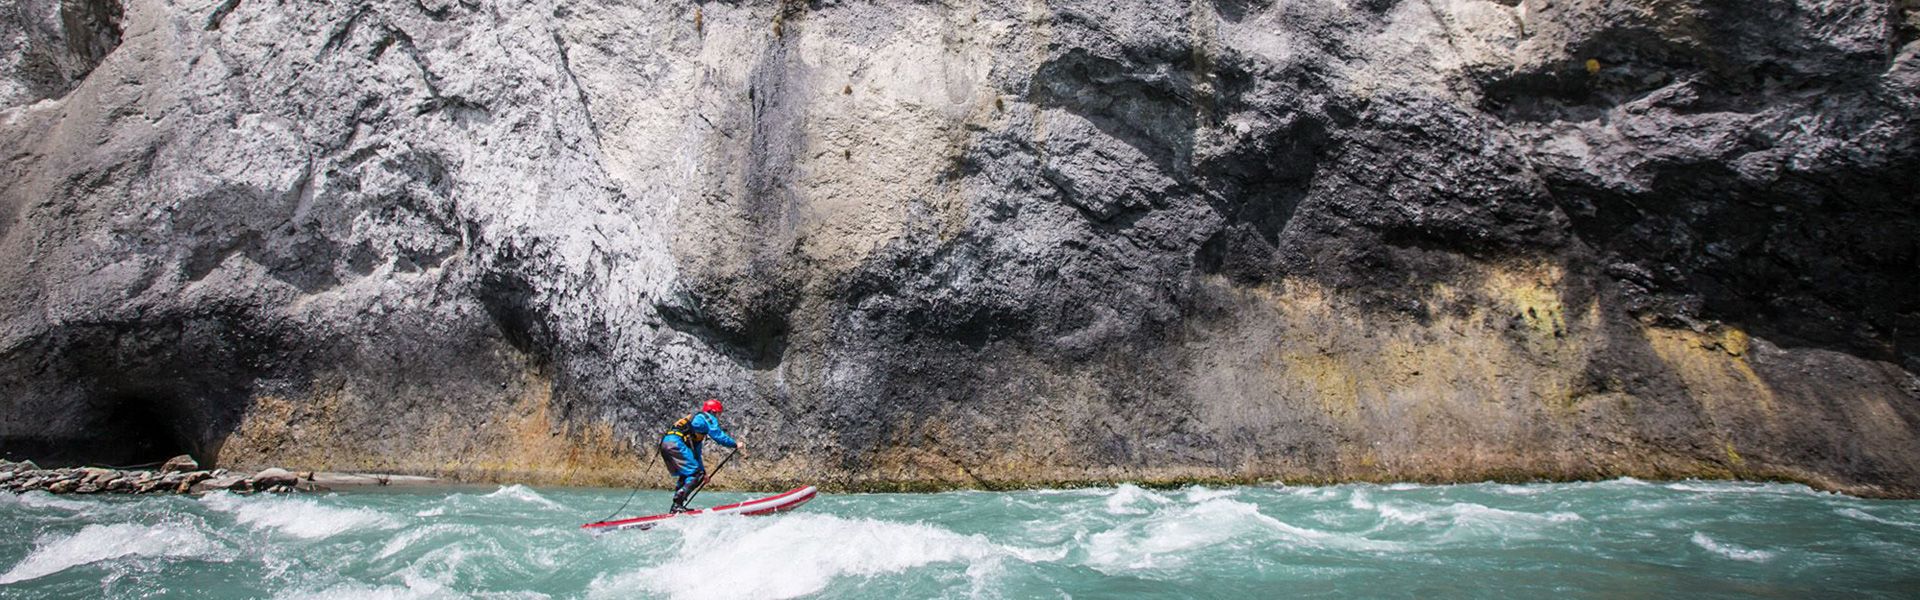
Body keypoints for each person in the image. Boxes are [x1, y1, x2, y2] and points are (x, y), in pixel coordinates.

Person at [659, 398, 741, 513]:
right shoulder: (706, 417)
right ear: (713, 411)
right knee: (696, 474)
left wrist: (704, 474)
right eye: (718, 413)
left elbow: (696, 455)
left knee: (688, 475)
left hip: (666, 444)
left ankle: (675, 508)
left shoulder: (695, 426)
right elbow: (718, 435)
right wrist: (735, 444)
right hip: (676, 443)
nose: (718, 417)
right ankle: (677, 504)